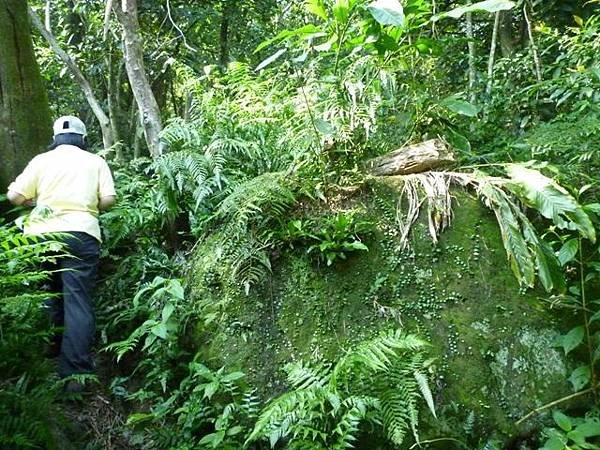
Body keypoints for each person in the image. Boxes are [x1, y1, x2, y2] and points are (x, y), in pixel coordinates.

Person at [6, 115, 116, 392]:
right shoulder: (96, 161)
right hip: (81, 234)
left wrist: (37, 201)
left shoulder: (41, 161)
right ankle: (74, 377)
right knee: (77, 301)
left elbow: (14, 197)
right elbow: (108, 200)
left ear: (56, 139)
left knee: (48, 293)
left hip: (42, 237)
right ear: (82, 139)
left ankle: (45, 355)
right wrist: (88, 206)